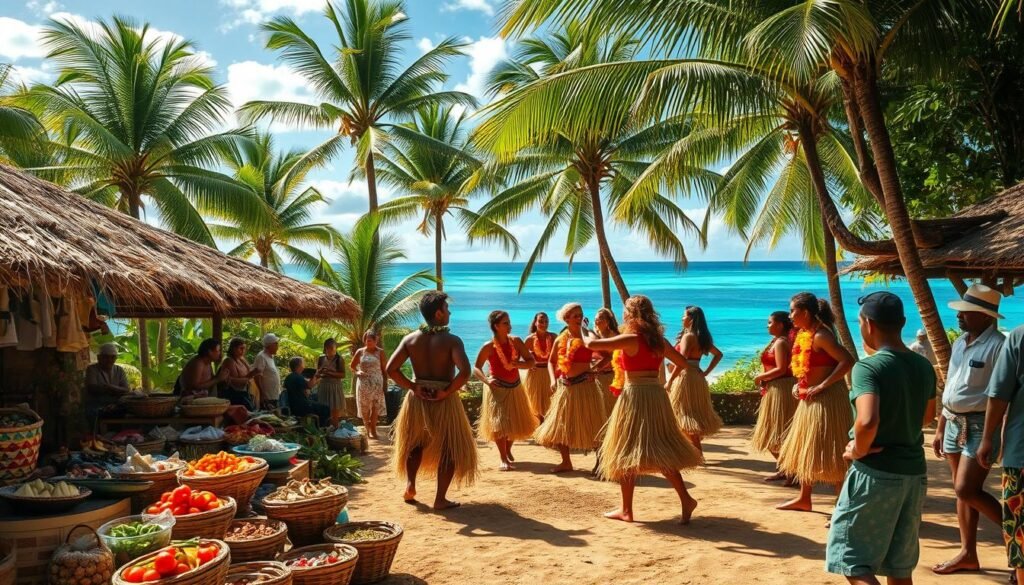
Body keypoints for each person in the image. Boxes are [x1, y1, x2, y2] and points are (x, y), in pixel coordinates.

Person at [825, 292, 936, 585]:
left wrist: (858, 449)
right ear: (901, 323)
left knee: (853, 560)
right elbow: (927, 416)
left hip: (876, 473)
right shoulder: (923, 366)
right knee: (899, 567)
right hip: (914, 474)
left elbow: (867, 420)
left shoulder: (869, 367)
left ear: (867, 324)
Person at [583, 295, 703, 524]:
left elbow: (591, 345)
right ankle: (681, 499)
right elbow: (683, 363)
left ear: (630, 314)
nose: (623, 316)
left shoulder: (631, 339)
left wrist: (583, 329)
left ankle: (627, 510)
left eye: (625, 312)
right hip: (656, 396)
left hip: (635, 395)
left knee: (625, 448)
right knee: (657, 450)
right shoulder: (659, 341)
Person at [932, 284, 1006, 575]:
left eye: (967, 312)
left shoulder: (999, 346)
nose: (960, 317)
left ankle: (1020, 536)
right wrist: (939, 427)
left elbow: (1000, 395)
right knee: (962, 493)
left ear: (986, 316)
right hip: (952, 422)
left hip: (979, 425)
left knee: (966, 488)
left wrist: (989, 436)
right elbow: (950, 386)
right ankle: (968, 553)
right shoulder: (960, 342)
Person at [386, 291, 478, 510]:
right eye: (447, 309)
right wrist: (446, 392)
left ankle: (410, 486)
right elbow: (464, 372)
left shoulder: (410, 339)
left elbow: (391, 369)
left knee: (415, 443)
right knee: (450, 448)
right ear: (438, 314)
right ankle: (440, 499)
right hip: (443, 399)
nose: (450, 312)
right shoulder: (452, 340)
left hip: (417, 398)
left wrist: (413, 386)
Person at [777, 292, 855, 512]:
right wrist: (798, 384)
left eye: (793, 311)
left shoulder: (822, 335)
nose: (790, 315)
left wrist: (822, 386)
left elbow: (847, 361)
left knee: (832, 450)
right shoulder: (805, 335)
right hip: (809, 398)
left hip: (827, 400)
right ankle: (804, 498)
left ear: (805, 312)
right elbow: (806, 368)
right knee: (806, 447)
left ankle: (841, 506)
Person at [534, 302, 608, 473]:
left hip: (585, 386)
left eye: (580, 314)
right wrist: (553, 380)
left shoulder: (588, 336)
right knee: (559, 426)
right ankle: (566, 462)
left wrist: (594, 371)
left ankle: (600, 463)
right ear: (566, 318)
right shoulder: (561, 339)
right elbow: (551, 362)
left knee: (594, 425)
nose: (579, 318)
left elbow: (608, 356)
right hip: (565, 387)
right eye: (575, 315)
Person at [978, 324, 1024, 585]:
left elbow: (998, 395)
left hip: (1020, 456)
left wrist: (987, 439)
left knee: (1019, 530)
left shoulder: (1019, 336)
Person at [472, 311, 537, 471]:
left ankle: (507, 449)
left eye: (509, 322)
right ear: (496, 326)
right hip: (497, 388)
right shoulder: (488, 346)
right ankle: (503, 458)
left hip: (515, 386)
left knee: (514, 422)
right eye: (506, 323)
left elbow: (531, 362)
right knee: (499, 424)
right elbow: (476, 367)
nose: (510, 326)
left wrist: (517, 365)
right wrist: (487, 381)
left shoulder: (516, 341)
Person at [668, 306, 724, 454]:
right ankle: (693, 450)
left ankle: (697, 452)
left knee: (684, 415)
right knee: (691, 414)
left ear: (691, 319)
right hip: (697, 377)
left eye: (684, 316)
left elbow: (682, 360)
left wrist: (670, 380)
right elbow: (718, 354)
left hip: (686, 378)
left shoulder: (689, 337)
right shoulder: (701, 337)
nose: (682, 319)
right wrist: (705, 372)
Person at [751, 311, 798, 482]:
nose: (767, 325)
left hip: (781, 389)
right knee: (775, 434)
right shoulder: (779, 341)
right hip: (776, 388)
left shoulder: (781, 343)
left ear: (780, 325)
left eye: (770, 322)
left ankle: (791, 470)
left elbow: (781, 368)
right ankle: (787, 470)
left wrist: (760, 377)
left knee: (776, 434)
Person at [351, 331, 388, 439]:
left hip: (377, 383)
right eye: (367, 340)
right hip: (363, 384)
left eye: (371, 340)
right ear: (365, 340)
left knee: (375, 407)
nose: (369, 342)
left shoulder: (380, 352)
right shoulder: (360, 352)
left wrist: (385, 383)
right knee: (364, 408)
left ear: (376, 341)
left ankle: (373, 430)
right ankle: (367, 429)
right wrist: (357, 372)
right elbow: (352, 366)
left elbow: (384, 369)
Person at [84, 343, 131, 425]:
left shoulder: (119, 370)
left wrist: (109, 387)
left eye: (112, 357)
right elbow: (92, 388)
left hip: (116, 404)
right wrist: (117, 390)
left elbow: (126, 389)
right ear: (99, 357)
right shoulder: (92, 369)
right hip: (97, 405)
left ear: (116, 358)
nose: (109, 360)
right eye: (105, 357)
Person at [523, 312, 557, 423]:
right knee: (536, 405)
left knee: (551, 404)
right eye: (541, 321)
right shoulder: (529, 339)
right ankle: (539, 430)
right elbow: (522, 358)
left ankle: (548, 431)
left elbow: (559, 355)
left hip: (550, 374)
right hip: (535, 374)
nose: (544, 324)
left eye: (546, 321)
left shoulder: (553, 337)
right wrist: (529, 365)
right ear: (535, 323)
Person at [283, 357, 330, 426]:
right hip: (301, 406)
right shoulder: (298, 377)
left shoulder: (289, 377)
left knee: (316, 397)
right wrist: (315, 374)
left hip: (293, 404)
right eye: (303, 364)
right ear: (299, 366)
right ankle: (321, 428)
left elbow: (306, 388)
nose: (304, 366)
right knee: (325, 408)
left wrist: (318, 379)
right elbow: (310, 386)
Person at [592, 308, 621, 417]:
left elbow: (610, 357)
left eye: (600, 318)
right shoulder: (594, 335)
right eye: (595, 319)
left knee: (610, 408)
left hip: (609, 376)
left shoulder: (613, 336)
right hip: (596, 376)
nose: (596, 321)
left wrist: (594, 368)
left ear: (607, 321)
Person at [218, 337, 258, 410]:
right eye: (241, 348)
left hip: (244, 394)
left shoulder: (242, 359)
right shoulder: (229, 361)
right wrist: (250, 376)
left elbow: (248, 373)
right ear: (233, 349)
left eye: (244, 348)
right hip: (234, 396)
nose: (243, 351)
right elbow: (235, 383)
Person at [316, 338, 347, 427]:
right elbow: (318, 372)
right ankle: (326, 428)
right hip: (324, 385)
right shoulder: (321, 359)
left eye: (333, 348)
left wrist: (329, 372)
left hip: (335, 386)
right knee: (324, 409)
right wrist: (321, 372)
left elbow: (342, 374)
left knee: (335, 409)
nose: (331, 350)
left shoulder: (339, 359)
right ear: (325, 348)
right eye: (329, 348)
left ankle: (335, 428)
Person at [253, 333, 281, 410]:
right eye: (276, 344)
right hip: (267, 397)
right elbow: (257, 376)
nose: (277, 346)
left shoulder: (270, 357)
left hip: (274, 396)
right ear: (270, 345)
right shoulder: (261, 356)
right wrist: (262, 394)